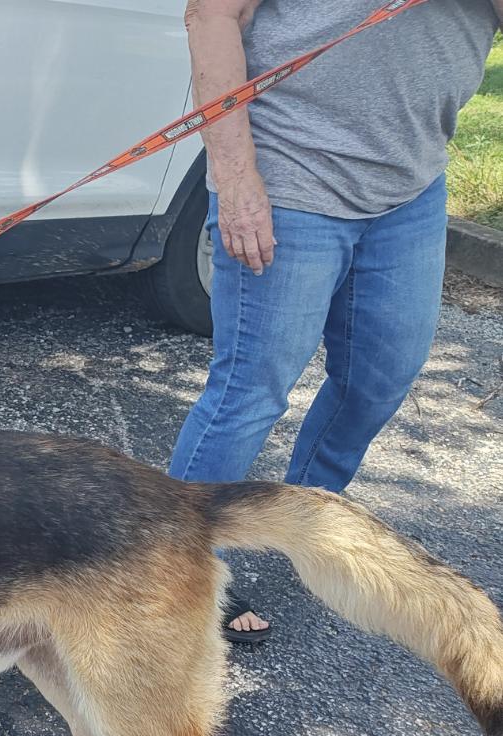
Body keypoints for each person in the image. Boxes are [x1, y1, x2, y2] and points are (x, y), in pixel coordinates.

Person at [169, 0, 501, 643]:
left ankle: (297, 529)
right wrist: (236, 179)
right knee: (250, 390)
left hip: (410, 185)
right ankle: (166, 577)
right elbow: (212, 12)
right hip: (288, 171)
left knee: (378, 380)